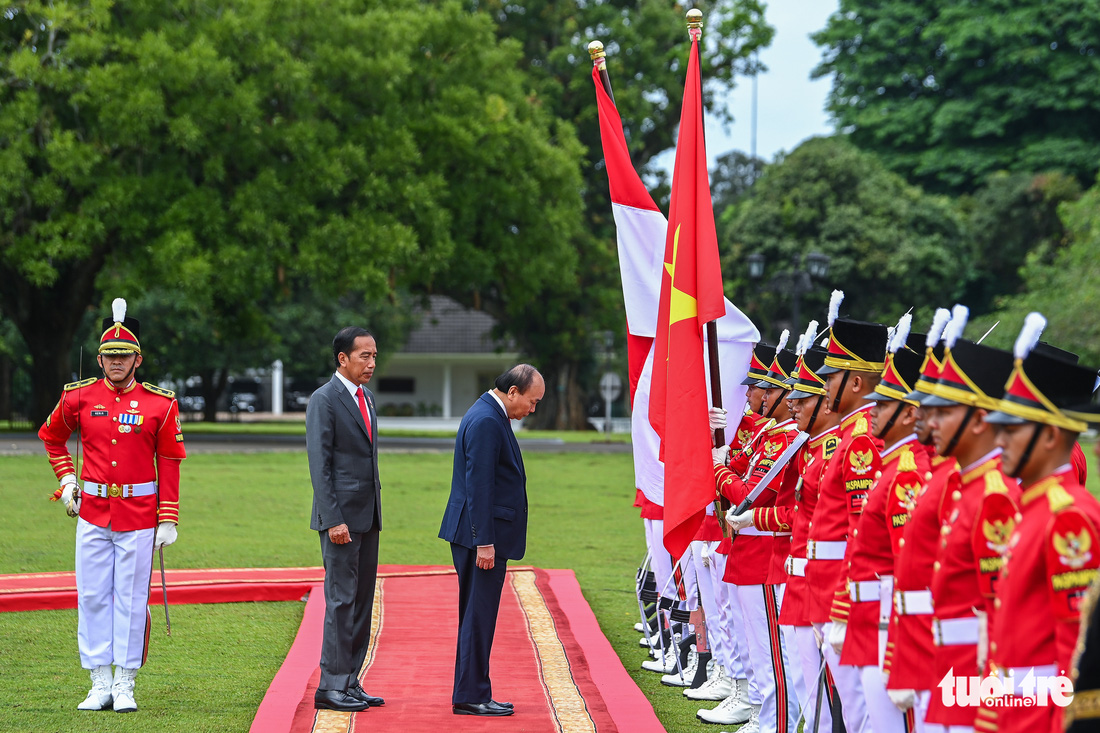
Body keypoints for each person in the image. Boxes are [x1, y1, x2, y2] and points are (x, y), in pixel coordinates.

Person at [38, 298, 186, 713]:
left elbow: (170, 460)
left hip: (139, 516)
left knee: (131, 597)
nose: (116, 362)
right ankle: (98, 681)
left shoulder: (161, 403)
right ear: (100, 359)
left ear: (137, 360)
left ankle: (125, 683)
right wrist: (67, 479)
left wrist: (168, 517)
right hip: (92, 514)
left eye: (124, 356)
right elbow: (51, 436)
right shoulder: (78, 397)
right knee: (92, 596)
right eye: (109, 356)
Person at [981, 314, 1100, 733]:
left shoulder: (1067, 516)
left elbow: (1076, 648)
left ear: (1050, 436)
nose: (998, 441)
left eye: (1011, 430)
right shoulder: (1034, 506)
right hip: (1013, 704)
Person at [438, 364, 545, 717]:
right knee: (478, 616)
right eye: (531, 402)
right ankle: (472, 695)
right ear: (512, 391)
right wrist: (484, 541)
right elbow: (479, 485)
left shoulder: (488, 413)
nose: (532, 410)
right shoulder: (486, 420)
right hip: (480, 537)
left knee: (477, 614)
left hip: (478, 533)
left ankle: (472, 691)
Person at [306, 326, 385, 713]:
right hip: (340, 519)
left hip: (368, 516)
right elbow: (320, 466)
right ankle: (330, 685)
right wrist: (333, 518)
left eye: (373, 355)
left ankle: (351, 681)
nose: (371, 362)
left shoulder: (366, 397)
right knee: (340, 600)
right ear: (343, 359)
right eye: (363, 356)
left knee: (361, 601)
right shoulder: (325, 399)